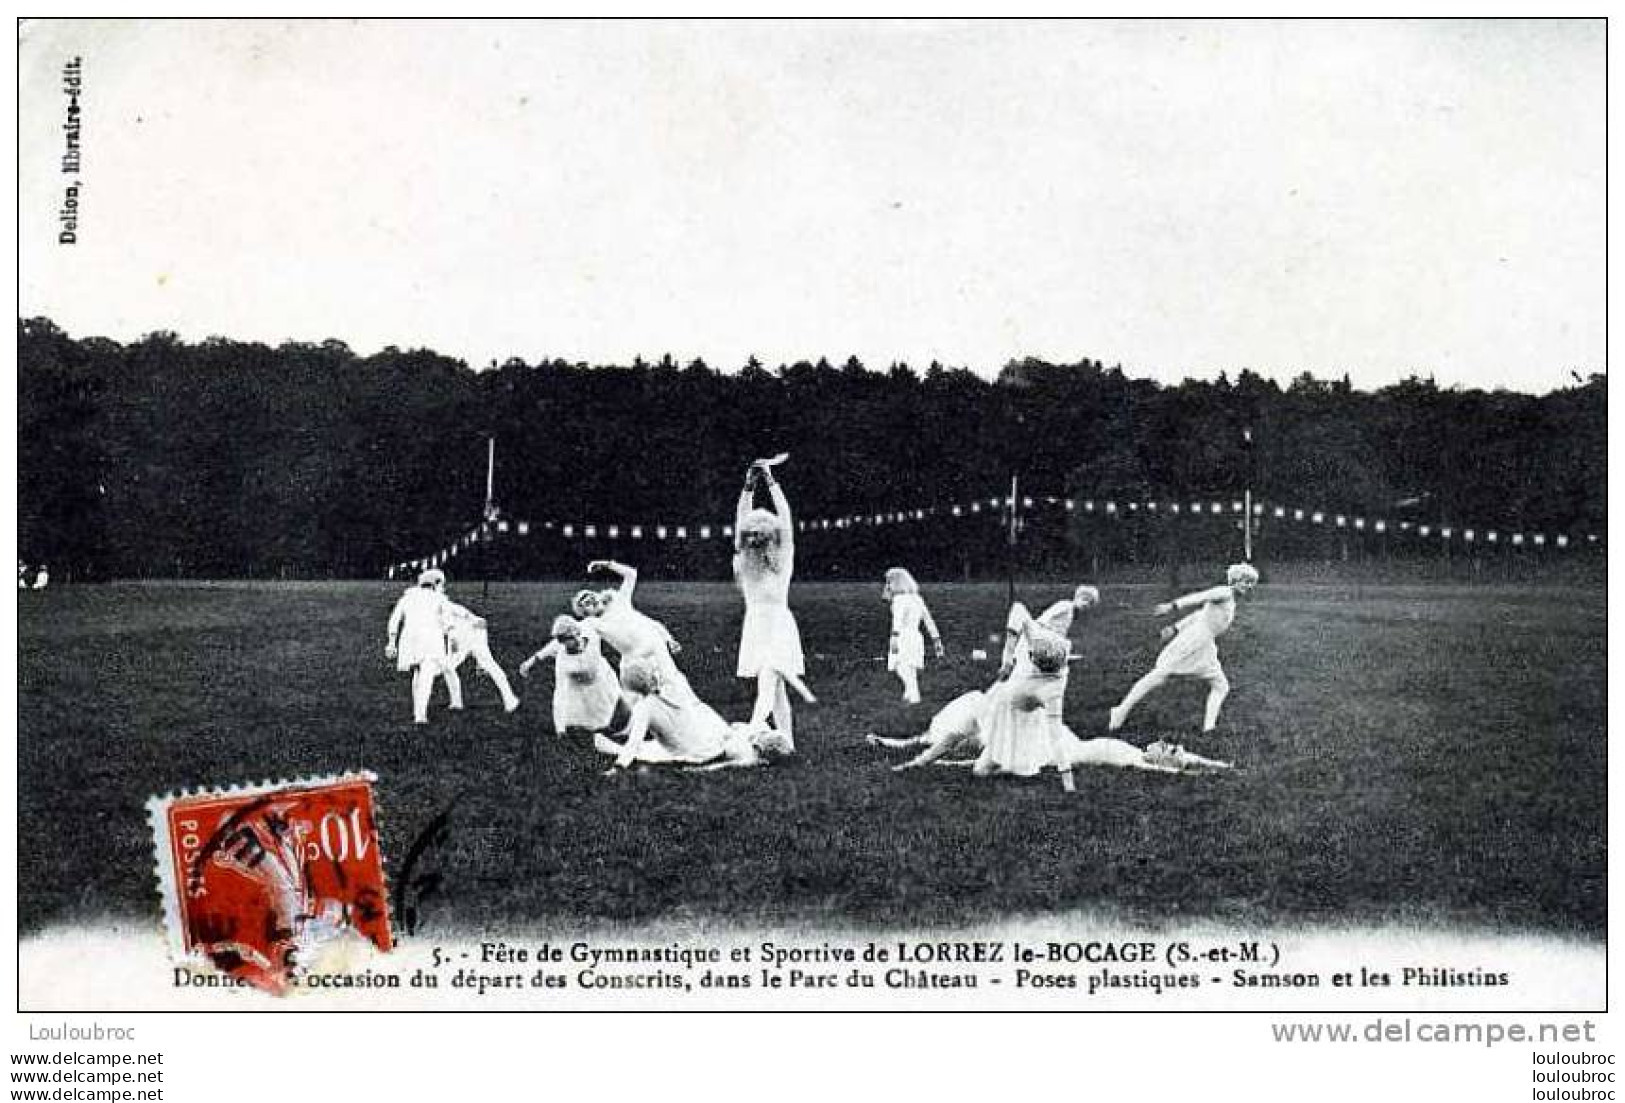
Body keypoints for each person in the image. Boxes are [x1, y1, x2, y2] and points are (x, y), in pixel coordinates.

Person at [1109, 562, 1260, 735]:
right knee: (1161, 675)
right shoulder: (1224, 592)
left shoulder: (1230, 600)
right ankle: (1120, 711)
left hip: (1205, 643)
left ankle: (1209, 729)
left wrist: (1175, 628)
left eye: (1251, 584)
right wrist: (1173, 606)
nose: (1249, 587)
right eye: (1246, 582)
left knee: (1221, 685)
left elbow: (1200, 616)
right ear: (1235, 580)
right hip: (1194, 639)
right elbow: (1201, 596)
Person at [734, 456, 814, 749]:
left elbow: (785, 516)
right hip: (756, 626)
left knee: (769, 680)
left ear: (771, 535)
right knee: (775, 688)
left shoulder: (784, 558)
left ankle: (753, 730)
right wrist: (748, 486)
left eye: (759, 533)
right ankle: (788, 743)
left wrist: (770, 480)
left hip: (779, 625)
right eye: (750, 533)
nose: (753, 537)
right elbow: (741, 518)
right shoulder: (744, 561)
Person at [575, 559, 698, 706]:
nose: (592, 602)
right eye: (587, 604)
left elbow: (631, 575)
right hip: (634, 659)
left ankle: (693, 713)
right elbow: (576, 631)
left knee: (673, 681)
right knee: (637, 697)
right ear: (585, 613)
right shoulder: (594, 623)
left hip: (654, 647)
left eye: (592, 597)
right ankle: (644, 723)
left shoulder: (619, 601)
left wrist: (607, 565)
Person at [594, 654, 733, 772]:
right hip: (711, 748)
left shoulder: (645, 707)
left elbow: (634, 743)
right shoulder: (672, 689)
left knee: (645, 750)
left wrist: (618, 767)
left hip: (692, 757)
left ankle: (608, 746)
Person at [519, 615, 624, 736]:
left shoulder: (589, 631)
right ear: (562, 642)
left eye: (577, 634)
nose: (577, 640)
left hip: (603, 675)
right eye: (570, 639)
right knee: (596, 724)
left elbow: (609, 628)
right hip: (582, 686)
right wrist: (560, 729)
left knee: (620, 706)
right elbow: (560, 694)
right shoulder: (563, 660)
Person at [385, 568, 455, 725]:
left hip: (409, 640)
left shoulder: (407, 598)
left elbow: (394, 620)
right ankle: (420, 714)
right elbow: (449, 624)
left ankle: (418, 710)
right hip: (431, 640)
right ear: (435, 584)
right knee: (427, 675)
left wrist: (391, 642)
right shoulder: (440, 599)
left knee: (417, 672)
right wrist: (452, 640)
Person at [442, 598, 521, 714]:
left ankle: (456, 702)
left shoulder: (439, 604)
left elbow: (452, 623)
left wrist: (454, 641)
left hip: (463, 635)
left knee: (447, 667)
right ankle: (510, 699)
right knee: (489, 664)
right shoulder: (443, 603)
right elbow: (478, 621)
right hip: (475, 631)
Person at [882, 567, 944, 705]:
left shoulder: (899, 600)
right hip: (916, 637)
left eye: (889, 582)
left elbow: (897, 620)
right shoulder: (917, 598)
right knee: (909, 668)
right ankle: (909, 696)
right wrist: (936, 639)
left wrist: (894, 637)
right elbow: (928, 620)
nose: (887, 585)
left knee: (901, 667)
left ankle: (913, 695)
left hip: (902, 637)